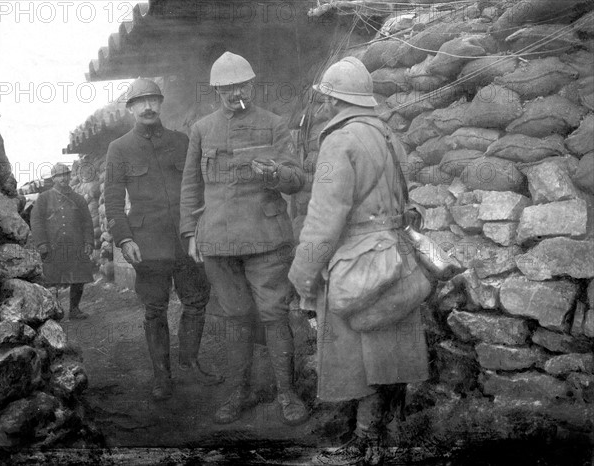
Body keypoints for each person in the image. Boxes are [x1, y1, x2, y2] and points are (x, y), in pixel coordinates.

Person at [288, 57, 430, 466]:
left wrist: (302, 275)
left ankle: (366, 445)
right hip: (397, 254)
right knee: (390, 348)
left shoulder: (339, 141)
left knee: (358, 352)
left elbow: (323, 220)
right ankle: (391, 437)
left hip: (356, 260)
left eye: (325, 100)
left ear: (333, 101)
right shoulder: (389, 135)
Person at [180, 52, 309, 426]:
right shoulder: (202, 129)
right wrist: (190, 232)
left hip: (266, 240)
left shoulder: (274, 124)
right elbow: (191, 184)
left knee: (273, 314)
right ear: (216, 90)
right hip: (218, 241)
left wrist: (274, 174)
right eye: (227, 87)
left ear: (252, 85)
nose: (236, 92)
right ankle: (240, 391)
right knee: (235, 317)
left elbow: (297, 179)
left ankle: (287, 392)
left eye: (243, 85)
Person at [105, 78, 222, 401]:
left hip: (185, 239)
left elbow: (197, 188)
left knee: (196, 303)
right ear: (130, 108)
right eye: (140, 102)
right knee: (155, 310)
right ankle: (162, 376)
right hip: (148, 243)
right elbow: (113, 201)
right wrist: (125, 240)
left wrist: (199, 228)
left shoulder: (180, 141)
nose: (147, 107)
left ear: (160, 103)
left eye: (153, 100)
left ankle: (190, 362)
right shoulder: (119, 149)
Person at [31, 163, 94, 320]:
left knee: (78, 277)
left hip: (76, 245)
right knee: (52, 278)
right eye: (59, 175)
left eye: (66, 174)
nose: (63, 178)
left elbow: (87, 222)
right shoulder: (44, 198)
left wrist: (89, 242)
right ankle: (51, 312)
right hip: (53, 245)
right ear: (53, 178)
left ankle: (74, 309)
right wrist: (42, 244)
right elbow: (36, 221)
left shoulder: (78, 199)